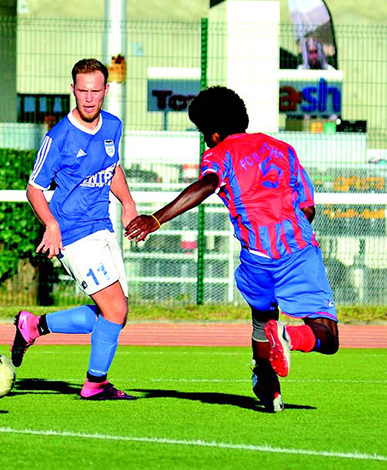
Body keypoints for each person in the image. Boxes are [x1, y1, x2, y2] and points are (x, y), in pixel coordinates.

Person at [124, 86, 340, 412]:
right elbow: (307, 209)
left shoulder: (218, 153)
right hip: (296, 252)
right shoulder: (283, 150)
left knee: (262, 318)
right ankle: (290, 339)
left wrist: (157, 218)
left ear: (212, 133)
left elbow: (208, 184)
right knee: (327, 336)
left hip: (257, 257)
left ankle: (266, 381)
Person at [11, 58, 138, 400]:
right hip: (72, 232)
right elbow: (33, 189)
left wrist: (128, 205)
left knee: (115, 314)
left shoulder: (113, 125)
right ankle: (95, 384)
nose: (89, 98)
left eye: (96, 91)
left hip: (103, 228)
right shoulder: (59, 138)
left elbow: (112, 169)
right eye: (82, 90)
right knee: (115, 310)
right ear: (73, 90)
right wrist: (50, 224)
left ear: (106, 91)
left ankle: (34, 326)